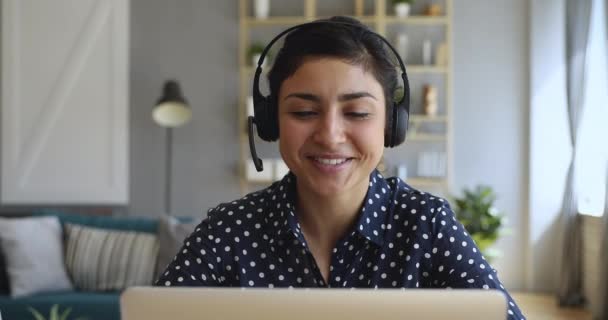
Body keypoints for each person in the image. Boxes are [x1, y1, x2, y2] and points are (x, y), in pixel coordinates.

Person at [156, 16, 526, 320]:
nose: (330, 136)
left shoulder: (427, 225)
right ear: (271, 122)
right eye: (304, 112)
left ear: (390, 125)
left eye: (357, 113)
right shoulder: (228, 231)